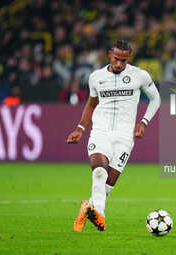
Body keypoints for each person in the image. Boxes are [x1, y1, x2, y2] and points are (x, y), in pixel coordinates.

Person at [66, 40, 161, 232]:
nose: (119, 64)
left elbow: (156, 99)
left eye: (123, 61)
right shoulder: (96, 77)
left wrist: (144, 123)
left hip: (125, 138)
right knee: (99, 171)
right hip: (100, 132)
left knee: (107, 187)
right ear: (110, 54)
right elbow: (91, 104)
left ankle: (87, 207)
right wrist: (80, 128)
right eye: (116, 59)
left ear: (129, 58)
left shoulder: (139, 75)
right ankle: (99, 214)